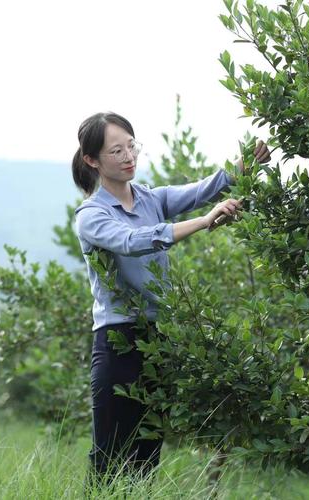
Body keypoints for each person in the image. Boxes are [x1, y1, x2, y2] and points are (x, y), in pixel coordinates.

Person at [72, 112, 270, 481]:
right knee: (109, 454)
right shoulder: (91, 215)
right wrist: (204, 221)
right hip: (117, 341)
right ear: (92, 160)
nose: (129, 156)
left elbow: (202, 189)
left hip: (158, 337)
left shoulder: (150, 199)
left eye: (132, 146)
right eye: (117, 151)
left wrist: (242, 166)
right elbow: (131, 242)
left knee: (147, 453)